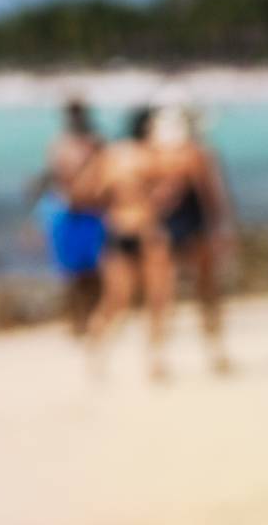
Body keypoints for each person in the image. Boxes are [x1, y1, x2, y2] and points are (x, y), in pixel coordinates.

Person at [78, 106, 174, 380]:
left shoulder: (111, 156)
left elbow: (85, 192)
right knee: (158, 299)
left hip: (116, 227)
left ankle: (96, 358)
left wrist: (114, 201)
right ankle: (155, 361)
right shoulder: (153, 156)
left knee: (114, 301)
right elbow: (171, 192)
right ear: (149, 128)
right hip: (147, 230)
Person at [151, 102, 235, 373]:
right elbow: (211, 197)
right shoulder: (197, 155)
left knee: (163, 296)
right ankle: (215, 352)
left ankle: (157, 358)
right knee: (206, 292)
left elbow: (145, 200)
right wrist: (222, 230)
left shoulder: (154, 154)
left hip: (163, 230)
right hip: (194, 227)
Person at [28, 99, 106, 334]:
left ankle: (94, 318)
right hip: (66, 211)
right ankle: (77, 321)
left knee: (96, 270)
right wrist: (35, 213)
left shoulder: (96, 143)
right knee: (71, 273)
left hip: (92, 210)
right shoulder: (60, 145)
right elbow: (48, 178)